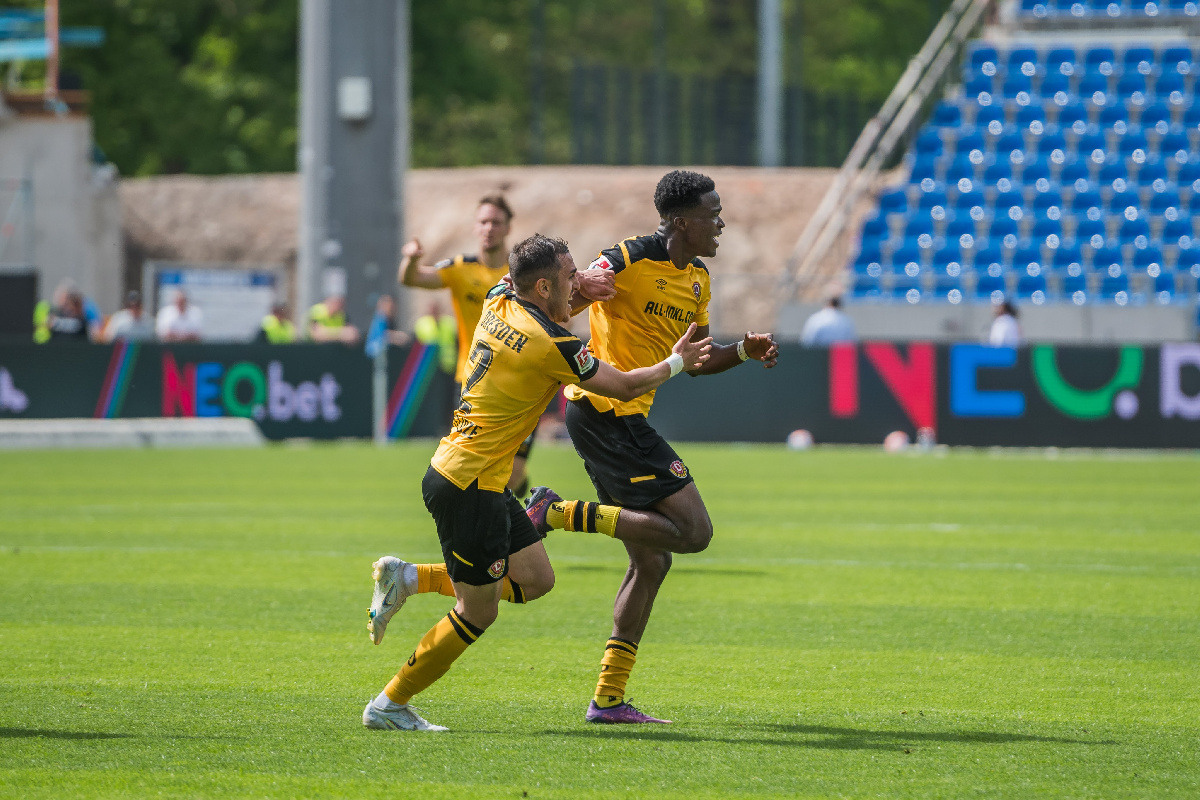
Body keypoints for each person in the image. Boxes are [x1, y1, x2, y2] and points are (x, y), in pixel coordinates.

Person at [361, 234, 711, 732]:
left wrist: (581, 280)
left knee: (535, 580)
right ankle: (389, 704)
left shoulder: (498, 297)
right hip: (468, 484)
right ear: (544, 286)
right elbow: (630, 385)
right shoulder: (553, 346)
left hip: (475, 474)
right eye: (571, 277)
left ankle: (411, 578)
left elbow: (518, 275)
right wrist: (678, 360)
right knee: (478, 610)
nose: (579, 284)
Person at [536, 170, 780, 724]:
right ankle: (556, 512)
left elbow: (695, 358)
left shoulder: (697, 278)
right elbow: (566, 295)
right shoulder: (630, 255)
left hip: (621, 417)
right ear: (680, 222)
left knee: (653, 560)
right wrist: (584, 288)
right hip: (605, 410)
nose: (721, 223)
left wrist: (741, 350)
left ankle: (608, 699)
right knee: (695, 532)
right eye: (712, 214)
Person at [397, 194, 613, 497]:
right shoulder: (461, 268)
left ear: (508, 227)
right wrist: (411, 259)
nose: (489, 228)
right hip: (474, 377)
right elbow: (413, 279)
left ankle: (512, 516)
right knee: (483, 468)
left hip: (521, 373)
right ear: (475, 227)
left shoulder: (526, 273)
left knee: (514, 472)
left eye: (496, 222)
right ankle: (506, 518)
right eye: (483, 221)